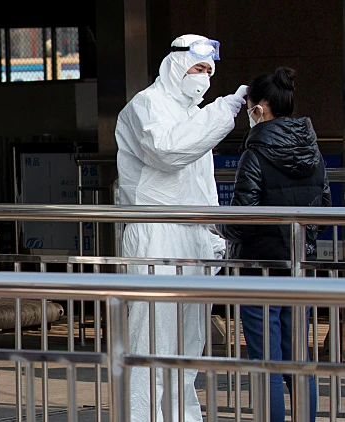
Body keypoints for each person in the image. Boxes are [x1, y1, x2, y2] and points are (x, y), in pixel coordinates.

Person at [115, 34, 246, 421]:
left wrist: (211, 233)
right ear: (174, 64)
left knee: (188, 347)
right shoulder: (146, 105)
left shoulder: (195, 114)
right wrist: (225, 110)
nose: (202, 76)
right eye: (196, 66)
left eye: (208, 69)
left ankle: (182, 417)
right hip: (156, 233)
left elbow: (200, 185)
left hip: (191, 236)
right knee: (152, 340)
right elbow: (168, 151)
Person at [216, 67, 329, 422]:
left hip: (259, 270)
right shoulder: (312, 149)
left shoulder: (256, 152)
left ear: (260, 108)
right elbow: (324, 208)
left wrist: (219, 228)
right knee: (299, 359)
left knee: (266, 361)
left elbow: (243, 217)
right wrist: (303, 241)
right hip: (299, 265)